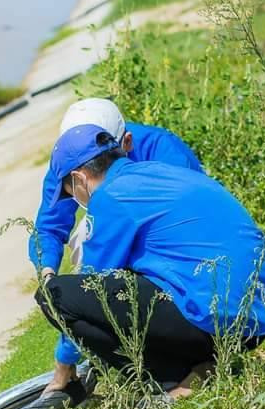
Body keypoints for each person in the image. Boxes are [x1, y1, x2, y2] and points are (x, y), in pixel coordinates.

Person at [35, 124, 265, 400]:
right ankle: (203, 364)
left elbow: (92, 283)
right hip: (257, 317)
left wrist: (63, 363)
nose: (73, 198)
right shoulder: (160, 171)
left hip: (214, 321)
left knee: (53, 294)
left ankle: (175, 379)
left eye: (69, 192)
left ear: (79, 178)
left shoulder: (110, 196)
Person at [29, 98, 202, 280]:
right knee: (86, 233)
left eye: (99, 159)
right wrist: (47, 273)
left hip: (167, 230)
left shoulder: (163, 149)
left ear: (126, 142)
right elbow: (48, 228)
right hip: (115, 222)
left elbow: (189, 213)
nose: (92, 167)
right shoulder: (67, 161)